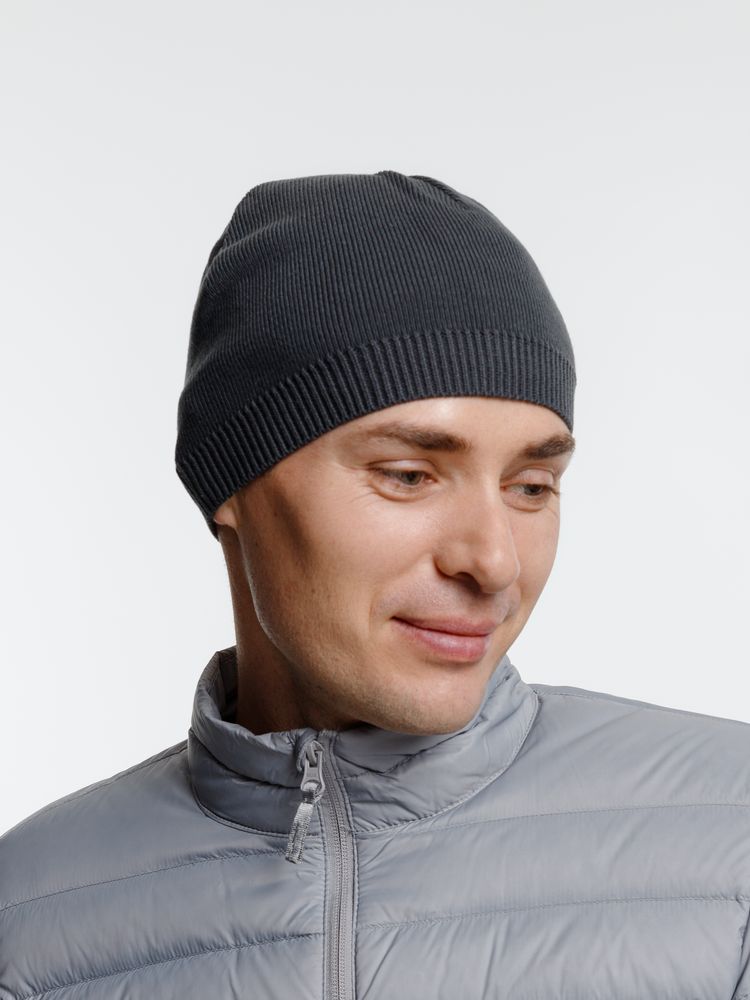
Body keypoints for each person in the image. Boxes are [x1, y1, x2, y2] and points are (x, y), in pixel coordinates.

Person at [1, 171, 748, 999]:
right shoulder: (25, 920)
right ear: (233, 483)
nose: (495, 560)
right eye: (407, 476)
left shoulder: (735, 840)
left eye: (531, 486)